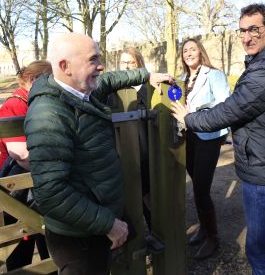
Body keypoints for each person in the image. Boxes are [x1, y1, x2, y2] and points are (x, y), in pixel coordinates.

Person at [24, 33, 173, 275]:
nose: (101, 66)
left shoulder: (80, 91)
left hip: (94, 224)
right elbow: (50, 192)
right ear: (65, 66)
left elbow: (111, 79)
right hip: (79, 239)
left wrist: (146, 75)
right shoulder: (48, 115)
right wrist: (109, 224)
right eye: (93, 60)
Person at [172, 3, 265, 274]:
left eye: (254, 29)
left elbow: (230, 108)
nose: (246, 37)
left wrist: (189, 118)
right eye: (242, 31)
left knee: (260, 250)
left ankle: (212, 236)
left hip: (263, 168)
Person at [0, 60, 53, 271]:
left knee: (48, 242)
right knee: (20, 246)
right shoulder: (15, 105)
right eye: (50, 80)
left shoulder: (38, 102)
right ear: (34, 79)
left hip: (39, 185)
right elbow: (22, 154)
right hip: (17, 186)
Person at [179, 38, 230, 259]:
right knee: (198, 185)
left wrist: (196, 111)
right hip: (188, 136)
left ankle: (213, 238)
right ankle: (203, 227)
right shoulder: (182, 79)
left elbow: (224, 104)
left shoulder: (214, 74)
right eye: (185, 50)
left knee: (200, 188)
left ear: (201, 52)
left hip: (207, 137)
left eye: (192, 49)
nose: (188, 53)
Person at [118, 47, 152, 231]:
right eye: (124, 62)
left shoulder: (149, 88)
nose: (127, 66)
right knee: (128, 200)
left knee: (148, 198)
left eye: (131, 62)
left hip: (146, 151)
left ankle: (155, 233)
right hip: (122, 152)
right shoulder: (113, 91)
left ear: (139, 63)